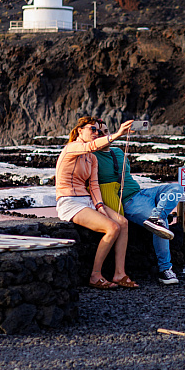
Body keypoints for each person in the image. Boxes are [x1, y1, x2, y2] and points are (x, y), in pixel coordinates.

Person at [94, 119, 183, 285]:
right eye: (98, 132)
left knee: (177, 189)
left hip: (142, 192)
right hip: (130, 202)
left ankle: (156, 216)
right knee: (161, 223)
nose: (102, 134)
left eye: (105, 131)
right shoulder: (91, 157)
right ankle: (165, 269)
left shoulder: (119, 152)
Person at [55, 115, 139, 289]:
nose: (96, 133)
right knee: (112, 227)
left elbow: (93, 185)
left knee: (122, 222)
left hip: (87, 201)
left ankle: (119, 273)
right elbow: (90, 146)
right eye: (92, 129)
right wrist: (118, 134)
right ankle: (95, 275)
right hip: (69, 201)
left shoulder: (91, 158)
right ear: (80, 130)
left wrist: (100, 206)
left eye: (99, 131)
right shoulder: (72, 148)